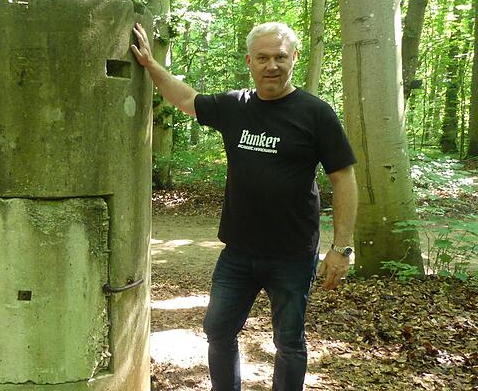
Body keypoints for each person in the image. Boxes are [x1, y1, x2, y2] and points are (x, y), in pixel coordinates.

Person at [130, 22, 358, 391]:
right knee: (217, 330)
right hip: (238, 253)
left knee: (288, 342)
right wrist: (152, 66)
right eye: (264, 58)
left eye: (280, 57)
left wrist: (341, 247)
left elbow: (343, 178)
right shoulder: (236, 106)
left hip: (292, 255)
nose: (272, 66)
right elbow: (187, 99)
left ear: (294, 58)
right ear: (250, 61)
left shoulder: (315, 113)